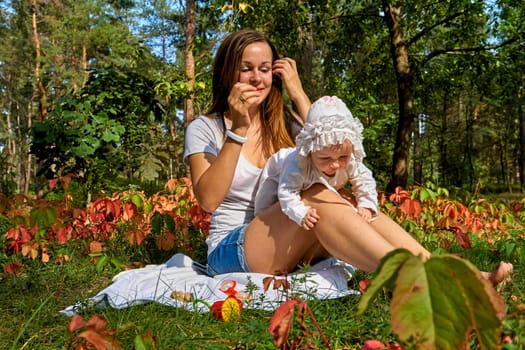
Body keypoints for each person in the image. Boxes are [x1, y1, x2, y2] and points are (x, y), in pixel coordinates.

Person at [183, 29, 512, 285]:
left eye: (266, 69)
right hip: (231, 249)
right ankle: (424, 280)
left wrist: (297, 92)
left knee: (361, 210)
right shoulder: (206, 128)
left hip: (291, 238)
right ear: (228, 74)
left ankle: (452, 274)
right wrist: (237, 131)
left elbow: (332, 147)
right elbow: (209, 199)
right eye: (246, 69)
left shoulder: (280, 124)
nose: (257, 78)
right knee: (313, 195)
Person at [254, 95, 378, 230]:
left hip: (314, 184)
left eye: (343, 157)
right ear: (309, 151)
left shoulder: (351, 160)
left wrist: (366, 203)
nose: (335, 164)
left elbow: (364, 179)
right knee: (267, 202)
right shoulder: (297, 164)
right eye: (325, 158)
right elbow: (287, 191)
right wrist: (301, 213)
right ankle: (260, 223)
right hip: (278, 176)